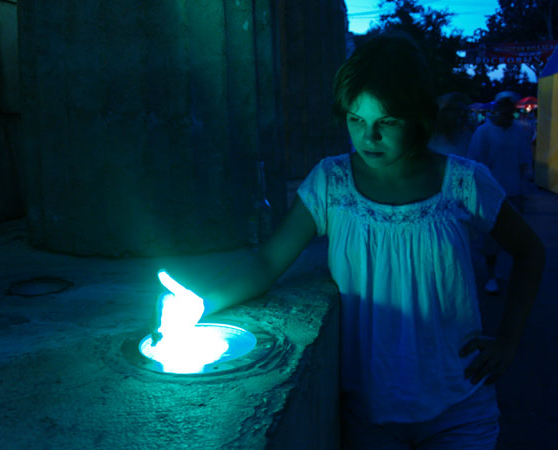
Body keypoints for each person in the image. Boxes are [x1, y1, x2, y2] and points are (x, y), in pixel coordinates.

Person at [154, 32, 545, 449]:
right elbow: (268, 262)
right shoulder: (331, 182)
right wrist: (199, 304)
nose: (368, 137)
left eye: (386, 122)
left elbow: (530, 252)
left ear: (418, 117)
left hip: (460, 406)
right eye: (356, 120)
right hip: (368, 412)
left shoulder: (464, 182)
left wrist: (508, 341)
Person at [467, 92, 535, 294]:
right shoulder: (483, 132)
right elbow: (475, 163)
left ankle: (501, 272)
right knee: (491, 237)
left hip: (513, 191)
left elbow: (524, 160)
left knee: (512, 236)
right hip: (490, 193)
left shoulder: (518, 131)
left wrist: (524, 189)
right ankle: (490, 275)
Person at [428, 92, 474, 157]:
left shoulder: (467, 137)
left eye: (462, 110)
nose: (461, 113)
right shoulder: (435, 141)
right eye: (455, 110)